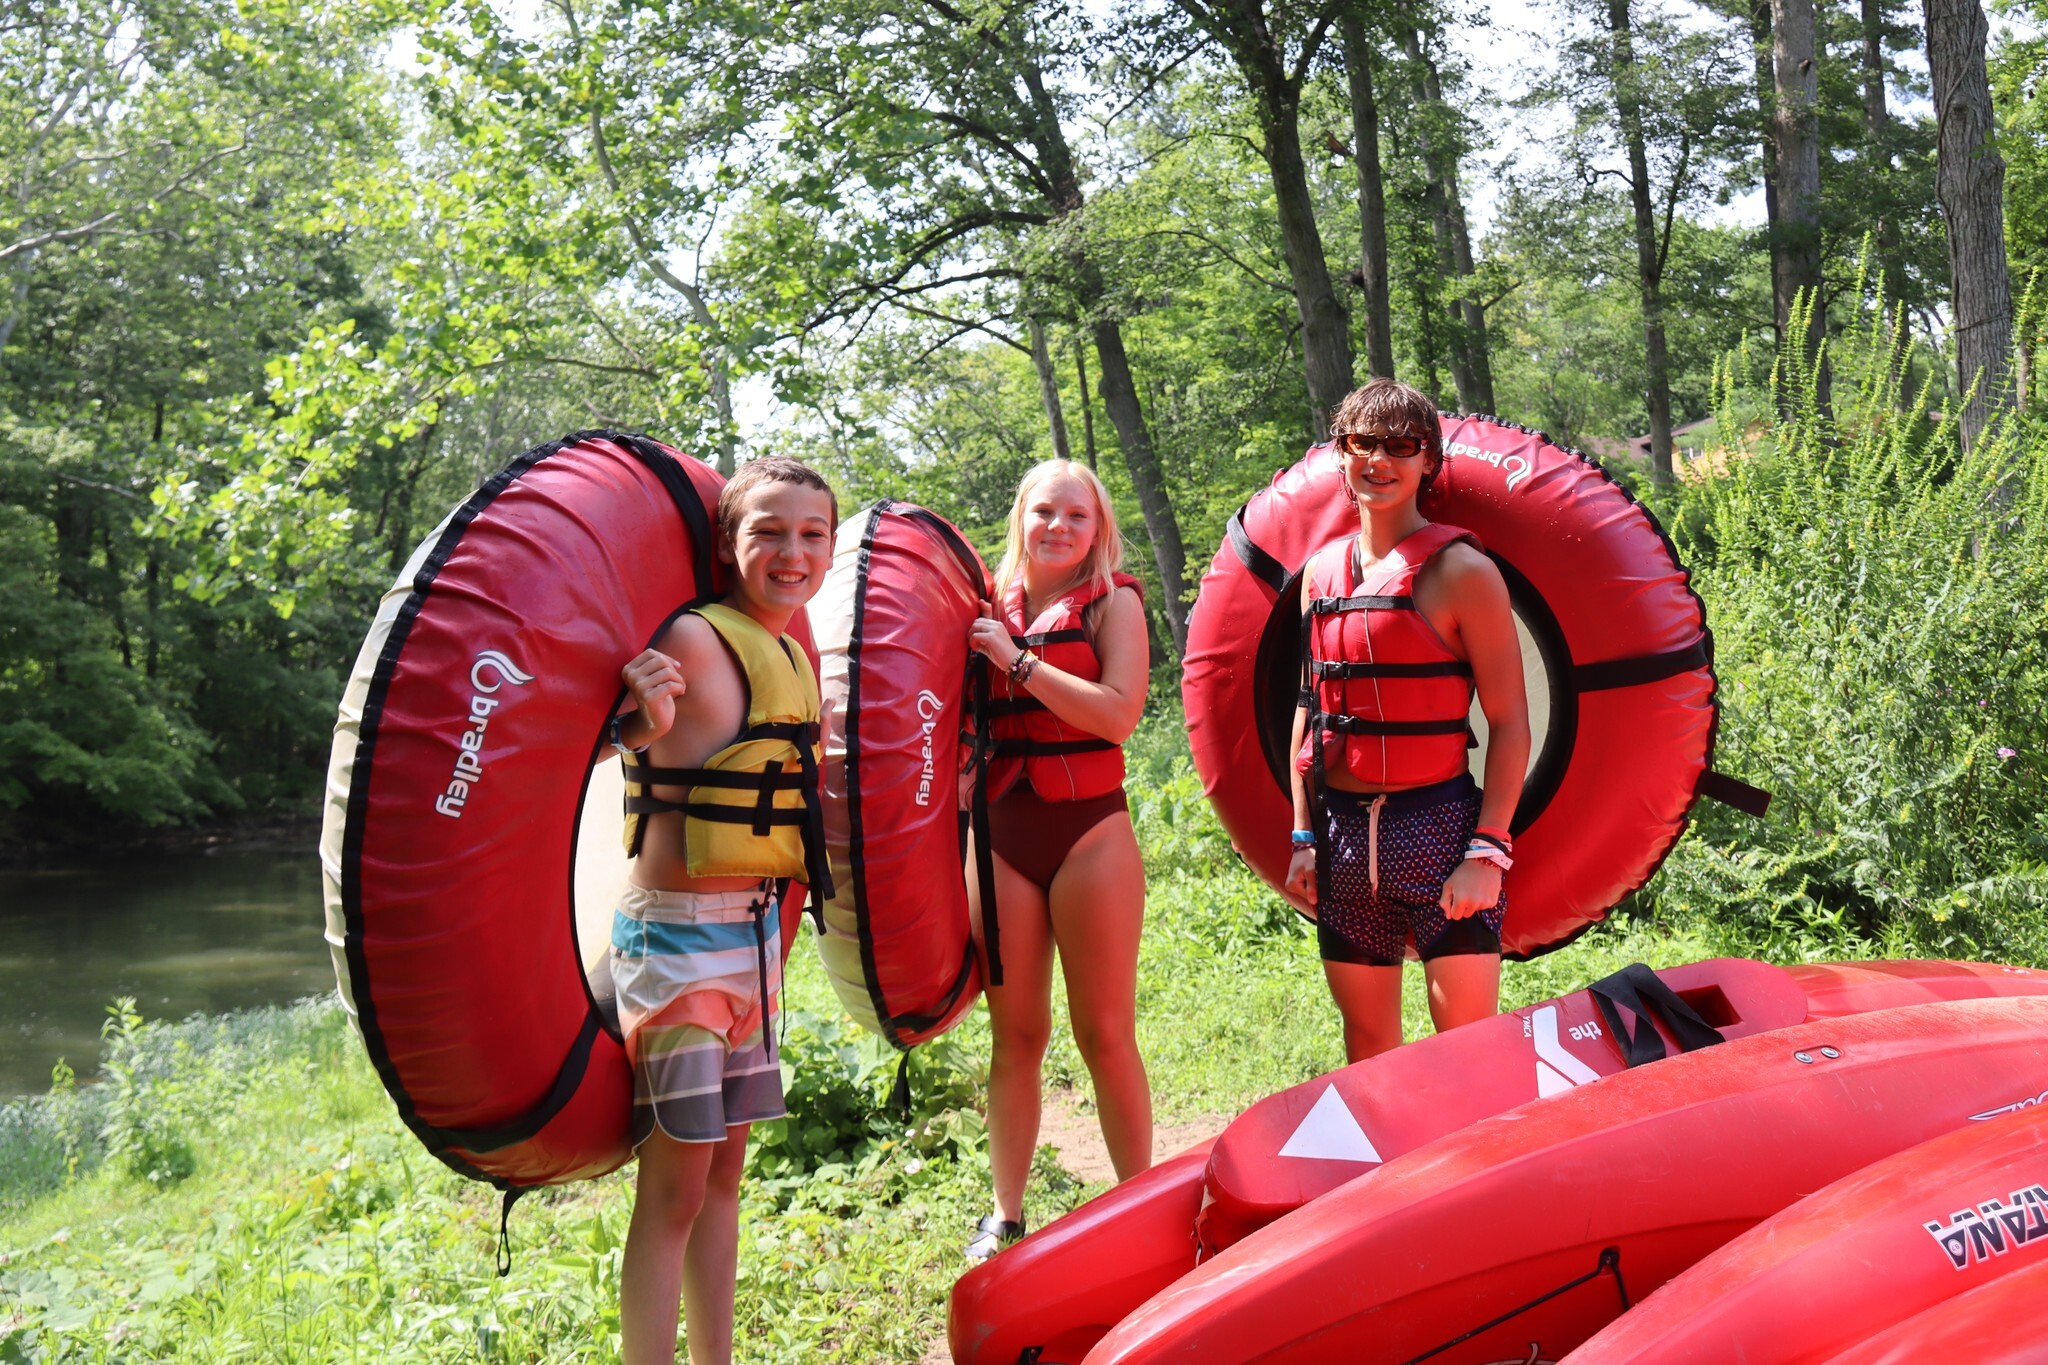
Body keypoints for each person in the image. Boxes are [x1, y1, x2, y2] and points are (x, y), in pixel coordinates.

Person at [607, 457, 837, 1365]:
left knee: (726, 1178)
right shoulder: (697, 640)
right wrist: (637, 719)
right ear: (728, 543)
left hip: (751, 945)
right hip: (675, 945)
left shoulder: (787, 653)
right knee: (673, 1190)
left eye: (813, 533)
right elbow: (621, 734)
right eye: (769, 531)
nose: (793, 551)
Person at [1285, 379, 1530, 1065]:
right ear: (1341, 454)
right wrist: (1303, 834)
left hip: (1440, 831)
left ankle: (1484, 1175)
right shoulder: (1318, 575)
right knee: (1368, 1051)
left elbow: (1511, 721)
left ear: (1430, 461)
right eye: (1363, 443)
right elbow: (1310, 711)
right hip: (1340, 842)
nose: (1380, 460)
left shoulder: (1462, 571)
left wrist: (1487, 852)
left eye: (1401, 445)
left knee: (1468, 1051)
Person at [963, 459, 1153, 1261]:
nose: (1059, 527)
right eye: (1045, 511)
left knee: (1104, 1032)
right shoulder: (978, 605)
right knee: (1015, 1036)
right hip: (1000, 834)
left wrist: (1020, 661)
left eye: (1077, 516)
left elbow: (1118, 717)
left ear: (1099, 527)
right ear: (1021, 516)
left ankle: (1139, 1209)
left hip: (1089, 836)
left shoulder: (1115, 603)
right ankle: (1005, 1214)